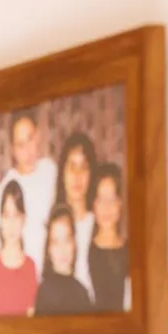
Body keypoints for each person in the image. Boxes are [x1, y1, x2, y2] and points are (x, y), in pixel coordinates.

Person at [0, 108, 58, 277]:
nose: (28, 150)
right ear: (12, 149)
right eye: (20, 145)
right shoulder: (8, 186)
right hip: (21, 276)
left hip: (51, 274)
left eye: (30, 138)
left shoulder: (51, 171)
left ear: (39, 135)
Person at [0, 180, 37, 318]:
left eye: (16, 215)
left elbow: (32, 317)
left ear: (23, 219)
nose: (11, 223)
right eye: (6, 215)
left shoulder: (30, 267)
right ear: (0, 220)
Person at [54, 131, 99, 299]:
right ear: (62, 173)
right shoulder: (52, 227)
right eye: (72, 166)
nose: (77, 175)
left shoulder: (98, 225)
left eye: (84, 167)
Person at [34, 205, 93, 316]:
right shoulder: (45, 293)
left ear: (74, 244)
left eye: (67, 240)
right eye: (56, 242)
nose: (62, 249)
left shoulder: (81, 292)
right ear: (48, 249)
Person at [88, 162, 130, 312]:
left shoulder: (131, 251)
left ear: (120, 203)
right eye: (101, 199)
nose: (106, 208)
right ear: (93, 204)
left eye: (111, 199)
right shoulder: (86, 251)